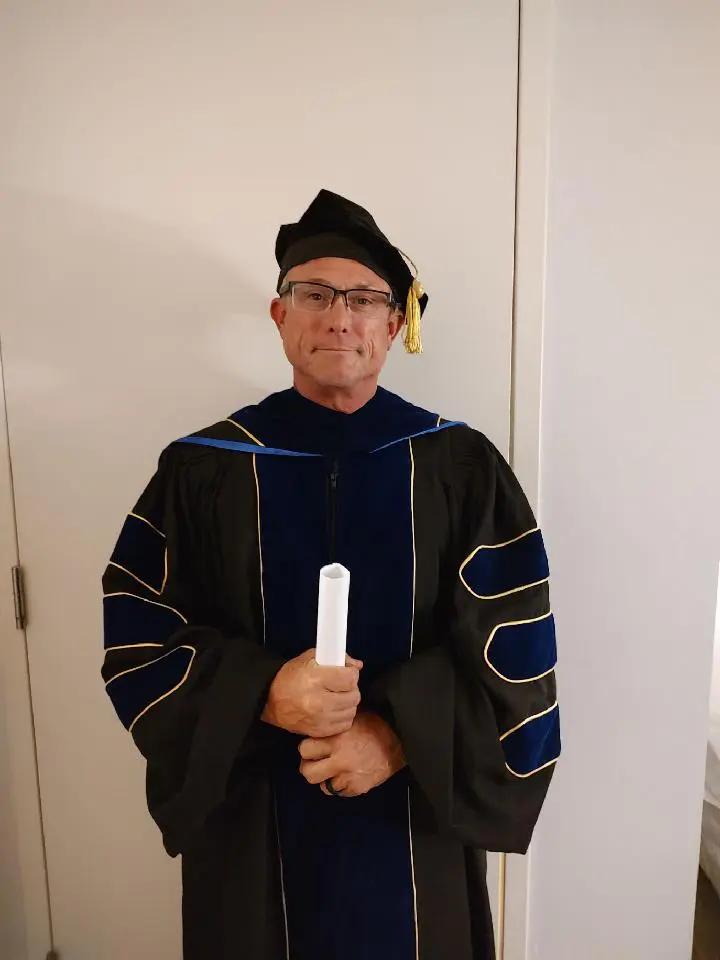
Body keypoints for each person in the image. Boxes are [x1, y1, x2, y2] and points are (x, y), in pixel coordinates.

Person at [102, 189, 560, 960]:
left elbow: (512, 657)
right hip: (251, 821)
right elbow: (139, 637)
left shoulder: (459, 466)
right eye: (313, 293)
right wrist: (265, 693)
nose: (338, 317)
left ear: (393, 324)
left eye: (364, 298)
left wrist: (400, 735)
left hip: (412, 818)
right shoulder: (202, 470)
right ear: (280, 316)